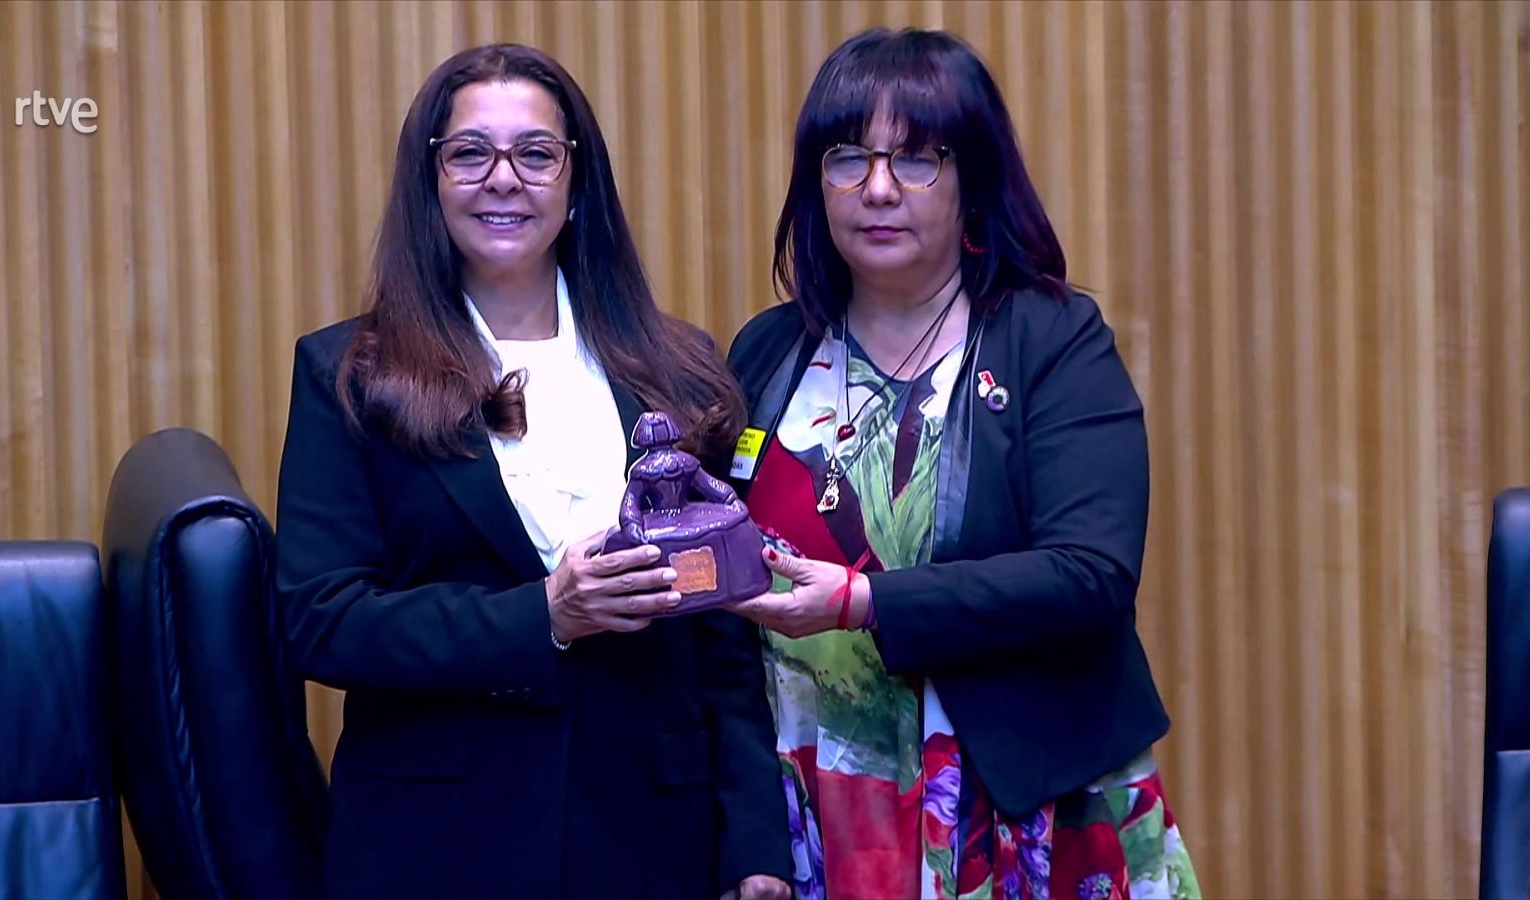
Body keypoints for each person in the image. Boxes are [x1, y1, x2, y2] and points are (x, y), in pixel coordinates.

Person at [274, 43, 790, 899]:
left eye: (536, 153)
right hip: (437, 844)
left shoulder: (677, 366)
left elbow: (722, 629)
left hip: (651, 835)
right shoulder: (350, 373)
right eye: (470, 153)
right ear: (429, 181)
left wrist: (754, 841)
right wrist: (542, 616)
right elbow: (323, 621)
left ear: (575, 181)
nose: (503, 178)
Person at [723, 28, 1203, 900]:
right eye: (847, 158)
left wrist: (867, 603)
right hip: (814, 804)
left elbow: (1090, 575)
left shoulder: (1049, 338)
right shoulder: (767, 352)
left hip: (1019, 805)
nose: (876, 189)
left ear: (971, 179)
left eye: (916, 160)